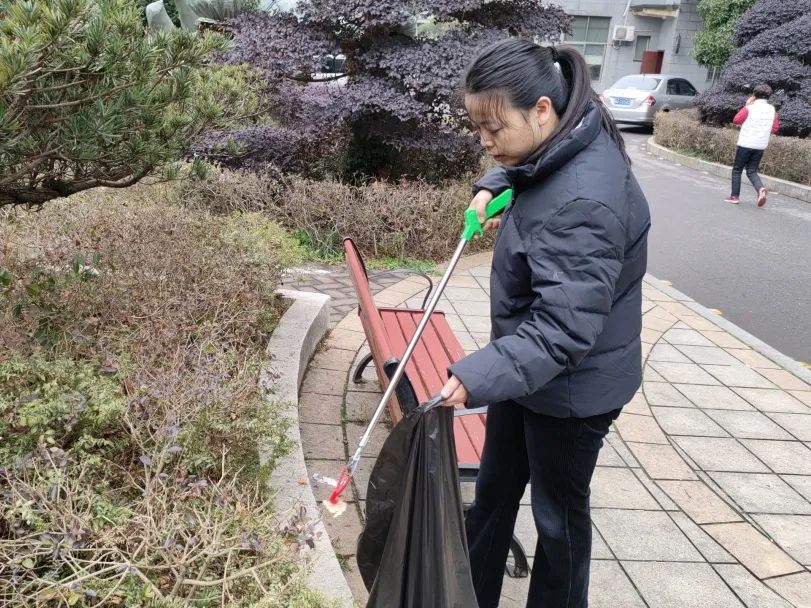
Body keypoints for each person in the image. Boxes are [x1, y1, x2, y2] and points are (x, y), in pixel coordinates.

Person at [438, 39, 651, 608]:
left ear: (539, 109)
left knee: (557, 521)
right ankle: (466, 595)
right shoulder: (568, 130)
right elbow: (537, 164)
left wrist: (476, 374)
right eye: (476, 126)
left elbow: (563, 328)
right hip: (528, 371)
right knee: (494, 492)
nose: (484, 141)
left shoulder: (584, 205)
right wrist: (496, 182)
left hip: (574, 389)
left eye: (493, 127)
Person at [725, 84, 779, 207]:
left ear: (754, 96)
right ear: (769, 96)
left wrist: (747, 105)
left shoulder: (750, 108)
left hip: (746, 143)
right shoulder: (772, 110)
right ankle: (760, 189)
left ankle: (734, 196)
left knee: (737, 170)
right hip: (760, 145)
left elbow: (737, 120)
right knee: (752, 170)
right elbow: (775, 128)